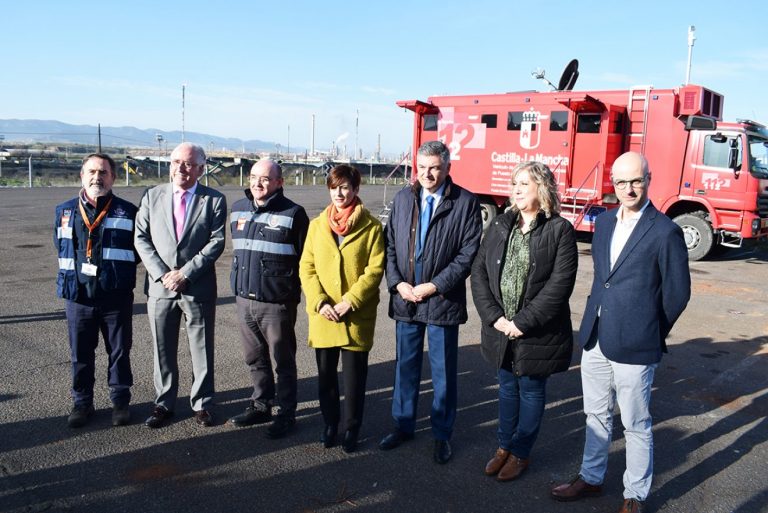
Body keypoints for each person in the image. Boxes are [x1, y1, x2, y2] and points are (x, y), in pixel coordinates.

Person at [551, 152, 691, 513]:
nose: (629, 189)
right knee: (595, 415)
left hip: (637, 344)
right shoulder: (604, 222)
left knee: (635, 423)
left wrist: (650, 330)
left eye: (636, 181)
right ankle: (591, 478)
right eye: (622, 182)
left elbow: (677, 293)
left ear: (649, 179)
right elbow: (604, 279)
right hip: (596, 336)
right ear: (613, 183)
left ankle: (635, 494)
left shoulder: (666, 231)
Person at [471, 161, 578, 481]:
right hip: (501, 328)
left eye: (524, 184)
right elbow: (479, 272)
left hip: (536, 332)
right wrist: (494, 317)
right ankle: (503, 447)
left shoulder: (560, 230)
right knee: (506, 388)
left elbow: (559, 285)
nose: (516, 189)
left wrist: (522, 323)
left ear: (541, 189)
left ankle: (520, 453)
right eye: (514, 183)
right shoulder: (501, 223)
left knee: (530, 390)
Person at [380, 140, 482, 464]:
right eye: (421, 167)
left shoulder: (465, 203)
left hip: (442, 301)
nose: (427, 174)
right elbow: (389, 246)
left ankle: (442, 434)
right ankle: (403, 425)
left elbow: (467, 254)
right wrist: (397, 283)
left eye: (434, 168)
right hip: (406, 299)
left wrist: (435, 286)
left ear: (448, 168)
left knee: (443, 373)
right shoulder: (402, 199)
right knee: (405, 368)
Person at [134, 142, 227, 428]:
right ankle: (164, 403)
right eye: (176, 162)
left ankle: (202, 404)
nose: (181, 168)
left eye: (188, 164)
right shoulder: (152, 195)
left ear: (201, 169)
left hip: (197, 287)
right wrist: (163, 274)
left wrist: (185, 273)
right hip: (160, 288)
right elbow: (141, 238)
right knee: (162, 350)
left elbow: (216, 241)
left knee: (202, 349)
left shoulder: (214, 200)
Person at [299, 164, 385, 453]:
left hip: (355, 315)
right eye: (334, 187)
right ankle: (329, 424)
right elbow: (306, 267)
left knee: (354, 380)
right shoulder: (316, 226)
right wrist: (319, 301)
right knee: (325, 377)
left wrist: (351, 300)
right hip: (324, 314)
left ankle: (351, 428)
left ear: (356, 189)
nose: (339, 193)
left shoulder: (372, 227)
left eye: (345, 187)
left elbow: (375, 270)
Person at [54, 153, 138, 428]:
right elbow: (60, 245)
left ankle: (120, 401)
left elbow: (137, 251)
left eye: (103, 172)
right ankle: (82, 403)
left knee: (119, 352)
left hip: (116, 295)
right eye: (91, 172)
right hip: (78, 297)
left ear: (113, 177)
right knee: (80, 354)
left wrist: (114, 274)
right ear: (82, 175)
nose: (97, 177)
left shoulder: (128, 211)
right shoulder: (64, 211)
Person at [229, 159, 309, 439]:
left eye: (265, 179)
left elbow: (305, 259)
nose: (258, 183)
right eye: (253, 177)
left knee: (282, 360)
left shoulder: (293, 213)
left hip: (276, 303)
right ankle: (261, 404)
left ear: (279, 182)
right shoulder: (238, 208)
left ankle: (286, 413)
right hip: (244, 299)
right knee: (254, 357)